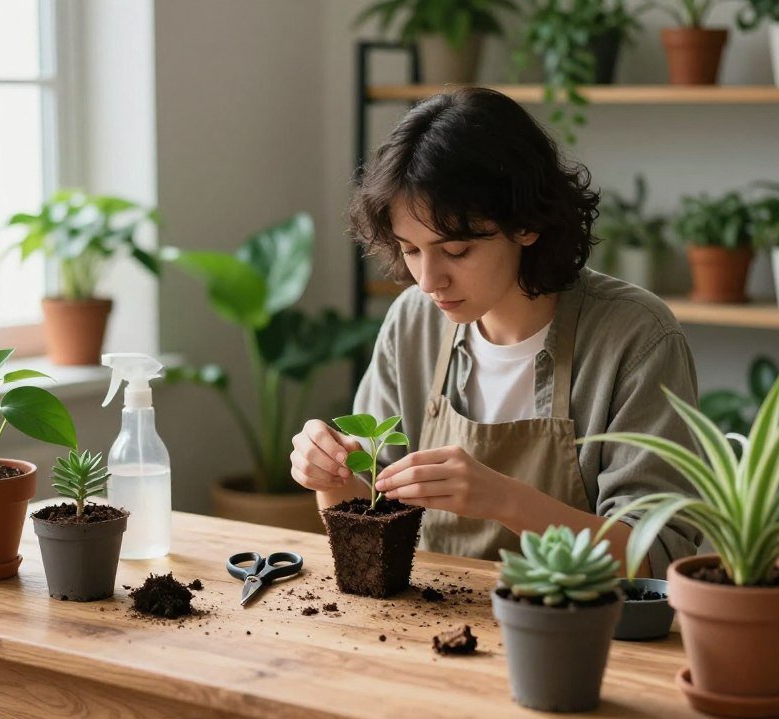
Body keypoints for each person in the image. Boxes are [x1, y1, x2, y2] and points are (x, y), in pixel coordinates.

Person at [290, 87, 701, 578]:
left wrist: (504, 499)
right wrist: (329, 476)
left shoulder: (635, 337)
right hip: (430, 627)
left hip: (577, 633)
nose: (427, 280)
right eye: (411, 250)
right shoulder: (413, 321)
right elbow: (371, 520)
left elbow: (658, 560)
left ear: (526, 223)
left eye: (456, 251)